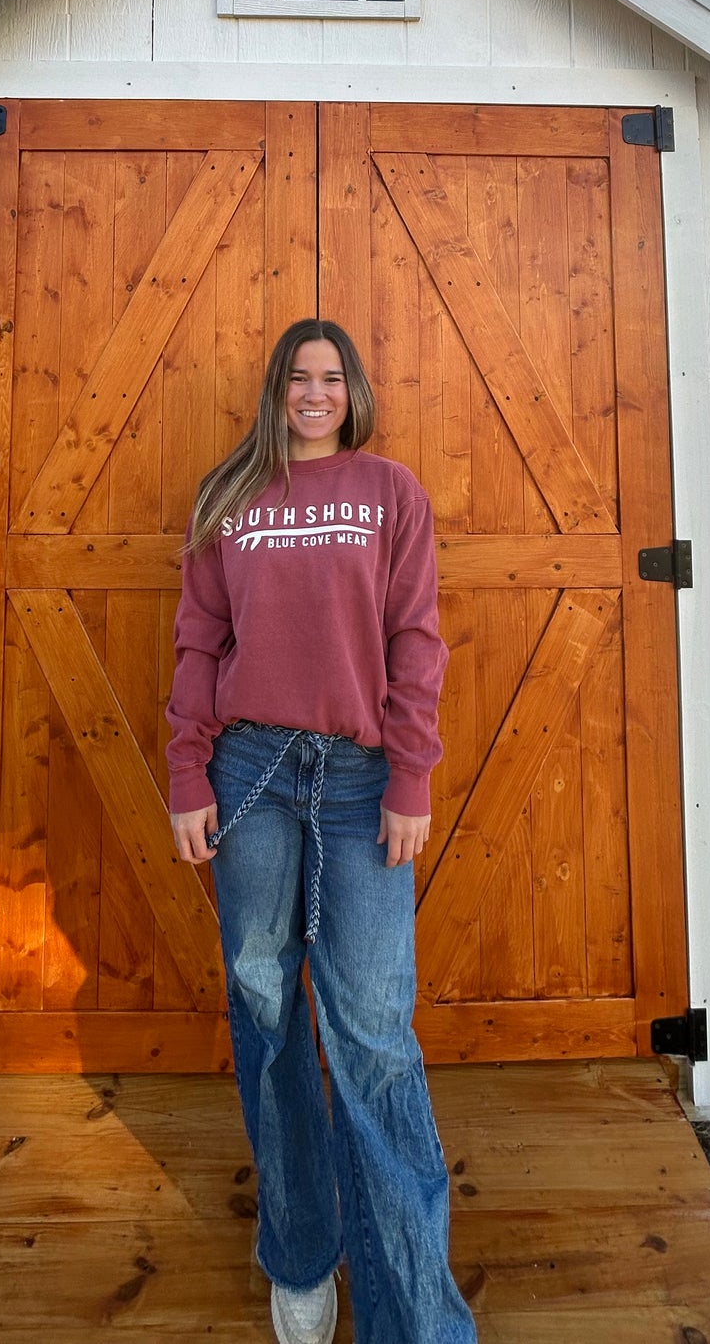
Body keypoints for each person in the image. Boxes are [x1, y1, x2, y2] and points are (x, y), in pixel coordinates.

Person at [166, 318, 477, 1344]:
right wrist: (185, 772)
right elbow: (198, 642)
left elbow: (415, 641)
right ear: (275, 389)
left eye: (330, 376)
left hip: (357, 782)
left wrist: (409, 777)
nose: (313, 391)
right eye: (298, 376)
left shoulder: (390, 493)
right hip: (249, 771)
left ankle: (415, 1320)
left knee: (374, 1033)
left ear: (350, 391)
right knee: (264, 1015)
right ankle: (299, 1252)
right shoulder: (229, 497)